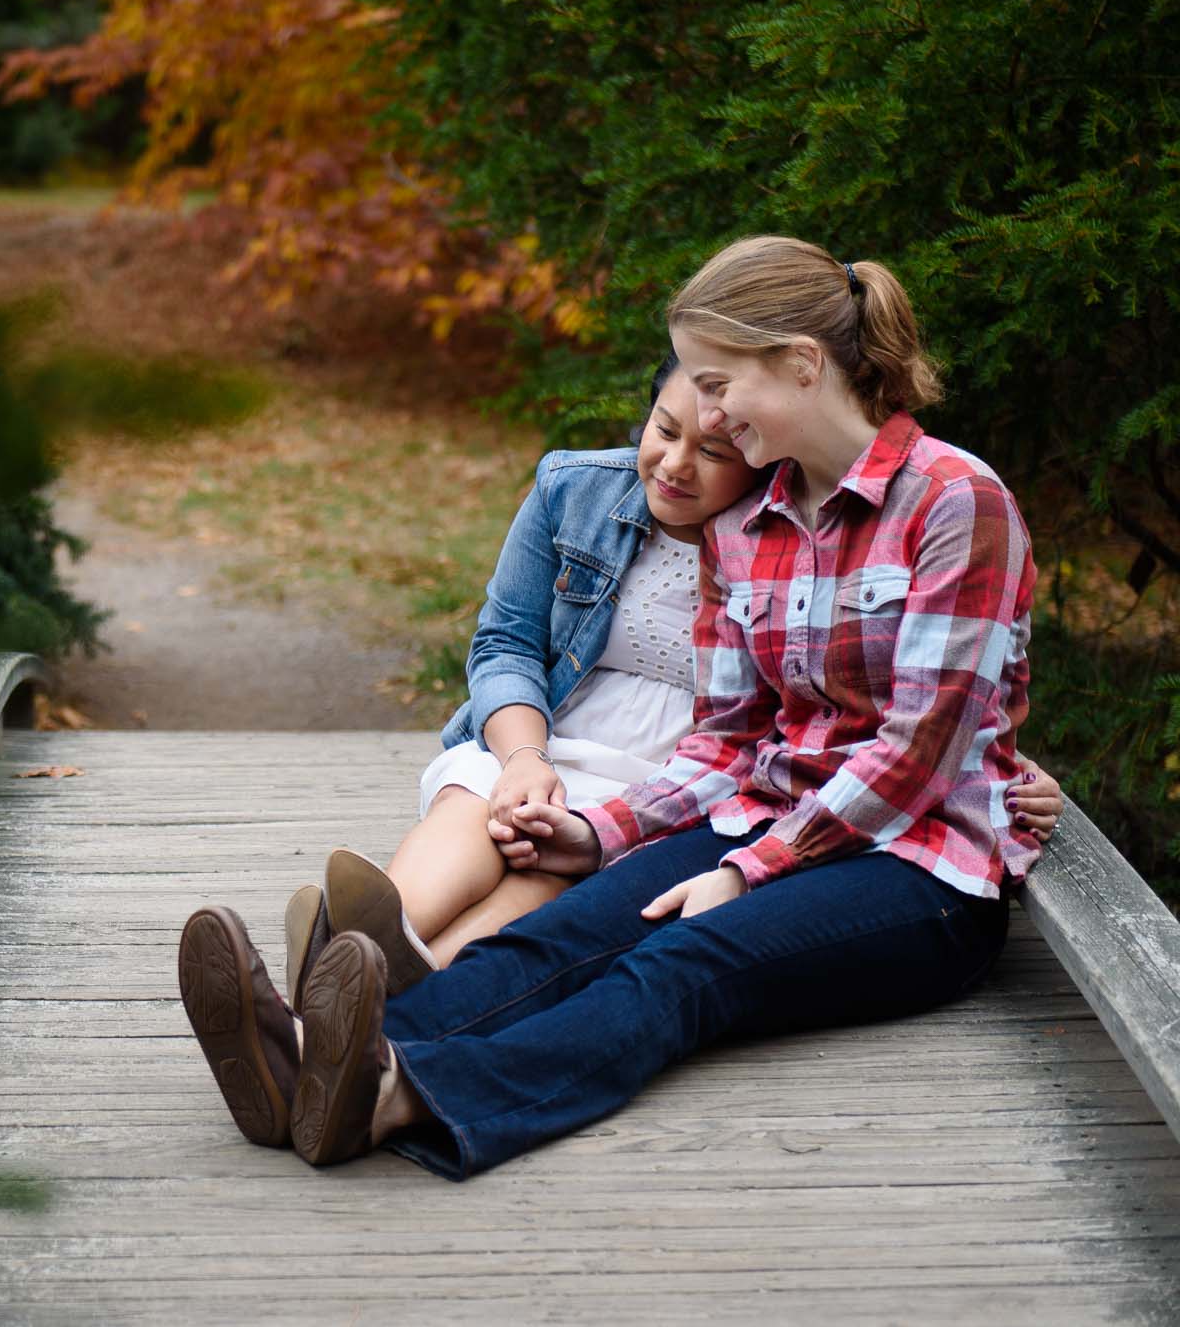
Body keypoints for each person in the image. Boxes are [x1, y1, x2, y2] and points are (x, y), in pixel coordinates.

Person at [180, 235, 1053, 1173]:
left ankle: (392, 1096)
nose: (704, 407)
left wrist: (753, 868)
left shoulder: (958, 502)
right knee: (567, 926)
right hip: (766, 817)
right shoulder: (751, 526)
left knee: (681, 961)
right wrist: (598, 835)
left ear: (802, 368)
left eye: (719, 384)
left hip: (921, 872)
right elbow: (728, 739)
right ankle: (307, 1060)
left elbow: (918, 752)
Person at [286, 361, 1057, 1012]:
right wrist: (524, 754)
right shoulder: (575, 490)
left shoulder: (792, 536)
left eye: (714, 449)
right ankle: (365, 941)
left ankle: (377, 1001)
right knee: (484, 809)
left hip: (678, 784)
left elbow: (881, 695)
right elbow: (508, 643)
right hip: (545, 737)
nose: (676, 464)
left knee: (541, 883)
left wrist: (998, 762)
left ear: (762, 451)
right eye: (664, 429)